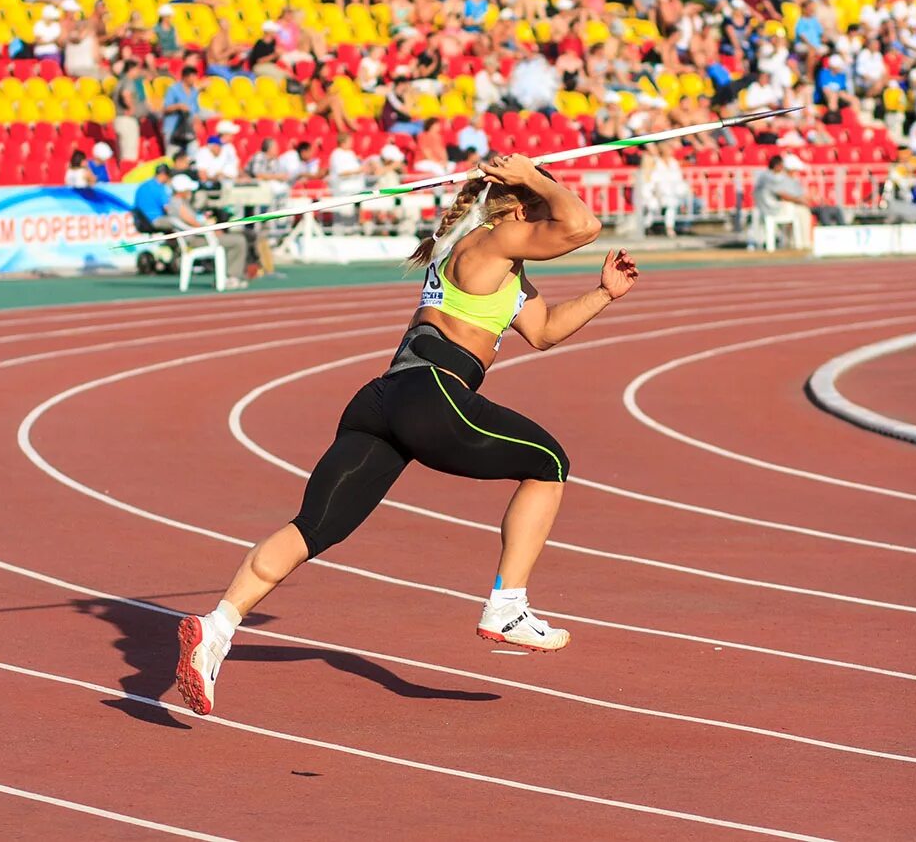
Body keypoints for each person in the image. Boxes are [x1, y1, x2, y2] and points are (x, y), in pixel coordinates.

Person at [174, 153, 640, 715]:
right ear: (516, 209)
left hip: (383, 400)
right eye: (535, 211)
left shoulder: (497, 268)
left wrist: (604, 295)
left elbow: (542, 333)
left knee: (315, 528)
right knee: (548, 462)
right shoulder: (487, 243)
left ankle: (217, 626)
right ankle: (506, 606)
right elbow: (583, 226)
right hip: (434, 394)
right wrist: (533, 176)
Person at [165, 172, 250, 289]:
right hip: (197, 240)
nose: (190, 191)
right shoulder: (177, 203)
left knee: (236, 239)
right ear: (181, 190)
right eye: (188, 189)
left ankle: (227, 276)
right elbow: (192, 222)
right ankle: (230, 277)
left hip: (200, 237)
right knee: (238, 241)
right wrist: (212, 231)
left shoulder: (178, 202)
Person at [161, 64, 201, 155]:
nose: (194, 79)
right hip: (173, 128)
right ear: (185, 77)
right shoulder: (173, 89)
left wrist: (196, 121)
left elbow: (195, 110)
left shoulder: (194, 91)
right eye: (192, 77)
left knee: (193, 154)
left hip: (189, 129)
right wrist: (178, 106)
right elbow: (165, 109)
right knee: (173, 156)